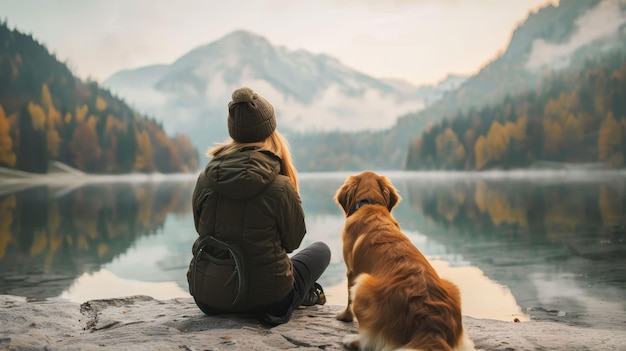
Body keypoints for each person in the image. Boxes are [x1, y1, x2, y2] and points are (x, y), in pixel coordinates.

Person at [187, 86, 331, 326]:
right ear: (269, 130)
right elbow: (292, 243)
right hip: (270, 301)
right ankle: (305, 295)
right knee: (322, 250)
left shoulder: (205, 179)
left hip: (209, 300)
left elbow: (201, 228)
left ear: (233, 132)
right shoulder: (281, 185)